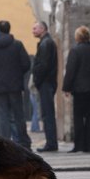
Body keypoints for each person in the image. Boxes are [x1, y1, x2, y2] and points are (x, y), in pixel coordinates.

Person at [0, 20, 32, 149]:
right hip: (15, 87)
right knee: (18, 116)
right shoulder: (17, 45)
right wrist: (17, 75)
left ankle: (4, 146)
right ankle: (23, 144)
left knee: (2, 118)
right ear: (9, 30)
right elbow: (26, 64)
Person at [61, 26, 90, 153]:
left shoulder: (75, 51)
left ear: (77, 37)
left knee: (78, 116)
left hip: (80, 89)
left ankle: (79, 145)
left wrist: (66, 88)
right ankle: (89, 146)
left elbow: (70, 71)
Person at [32, 21, 59, 152]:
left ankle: (51, 143)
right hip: (47, 82)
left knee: (47, 114)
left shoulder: (45, 44)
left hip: (46, 83)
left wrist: (37, 80)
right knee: (47, 113)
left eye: (35, 28)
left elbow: (42, 66)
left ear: (43, 29)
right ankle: (51, 142)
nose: (33, 30)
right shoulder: (46, 42)